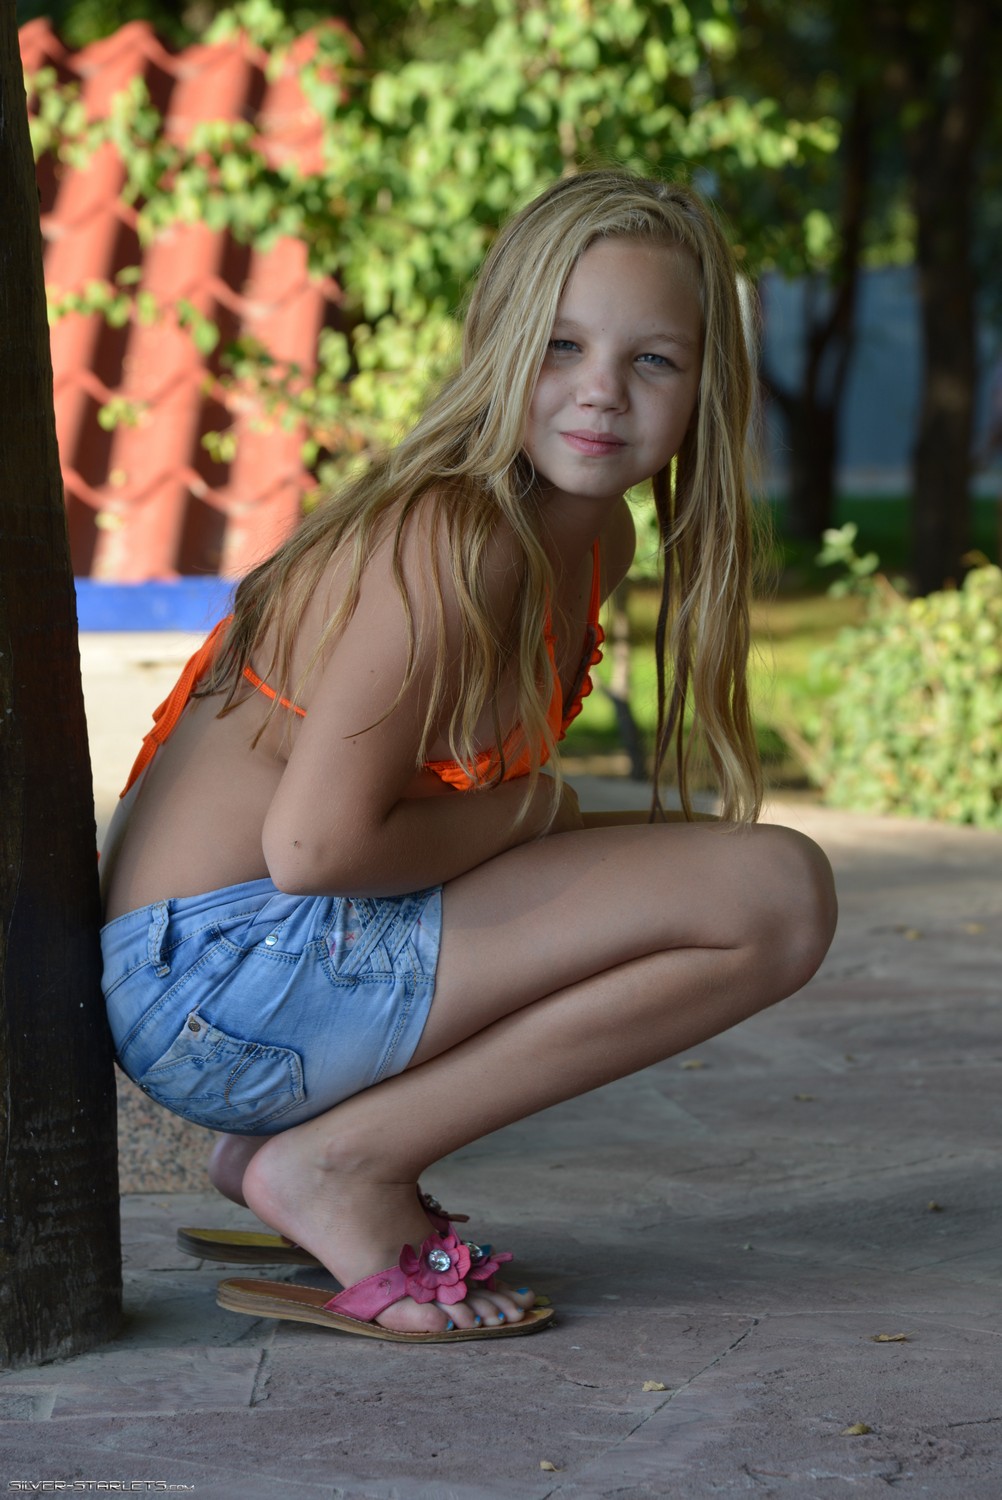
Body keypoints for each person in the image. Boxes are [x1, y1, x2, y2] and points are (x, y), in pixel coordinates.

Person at [100, 169, 837, 1344]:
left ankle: (294, 1149)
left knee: (722, 870)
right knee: (775, 895)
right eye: (561, 345)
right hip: (213, 978)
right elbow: (314, 848)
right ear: (498, 339)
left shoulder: (587, 536)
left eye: (654, 360)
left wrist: (551, 820)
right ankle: (338, 1166)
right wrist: (539, 814)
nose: (601, 392)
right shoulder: (459, 535)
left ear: (708, 387)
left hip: (244, 968)